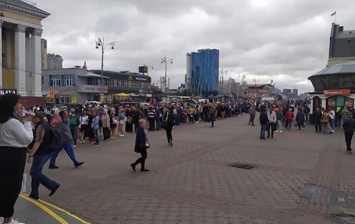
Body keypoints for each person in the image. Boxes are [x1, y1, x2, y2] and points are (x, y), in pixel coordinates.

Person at [0, 94, 33, 224]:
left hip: (3, 153)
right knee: (12, 187)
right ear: (12, 105)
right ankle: (8, 219)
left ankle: (6, 217)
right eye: (19, 103)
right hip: (14, 156)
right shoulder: (11, 122)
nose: (20, 106)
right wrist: (28, 122)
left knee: (3, 186)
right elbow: (27, 139)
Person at [27, 111, 60, 200]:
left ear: (37, 118)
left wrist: (31, 155)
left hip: (42, 152)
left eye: (33, 118)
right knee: (36, 172)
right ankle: (34, 193)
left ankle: (52, 185)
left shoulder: (40, 127)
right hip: (47, 151)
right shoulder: (46, 124)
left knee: (34, 172)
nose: (31, 119)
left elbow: (38, 141)